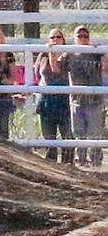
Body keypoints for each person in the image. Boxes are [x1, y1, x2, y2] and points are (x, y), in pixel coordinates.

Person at [35, 30, 74, 164]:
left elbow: (57, 72)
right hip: (46, 100)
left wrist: (53, 55)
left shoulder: (68, 56)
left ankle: (68, 165)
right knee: (49, 136)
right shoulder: (43, 55)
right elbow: (37, 74)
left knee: (67, 135)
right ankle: (51, 165)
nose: (55, 40)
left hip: (64, 100)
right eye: (52, 37)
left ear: (63, 40)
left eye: (58, 37)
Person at [68, 26, 105, 168]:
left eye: (85, 36)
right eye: (79, 36)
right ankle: (81, 162)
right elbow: (56, 68)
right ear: (74, 38)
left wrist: (100, 51)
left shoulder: (95, 53)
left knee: (95, 134)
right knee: (78, 133)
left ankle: (96, 163)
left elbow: (106, 67)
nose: (83, 38)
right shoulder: (70, 54)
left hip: (94, 100)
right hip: (77, 100)